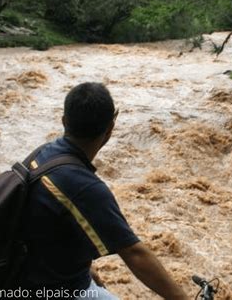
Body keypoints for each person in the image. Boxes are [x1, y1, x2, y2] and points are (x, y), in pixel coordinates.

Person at [18, 82, 188, 299]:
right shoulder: (85, 186)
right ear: (110, 129)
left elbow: (42, 216)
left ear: (64, 121)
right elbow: (135, 254)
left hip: (19, 277)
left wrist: (84, 267)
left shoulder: (41, 155)